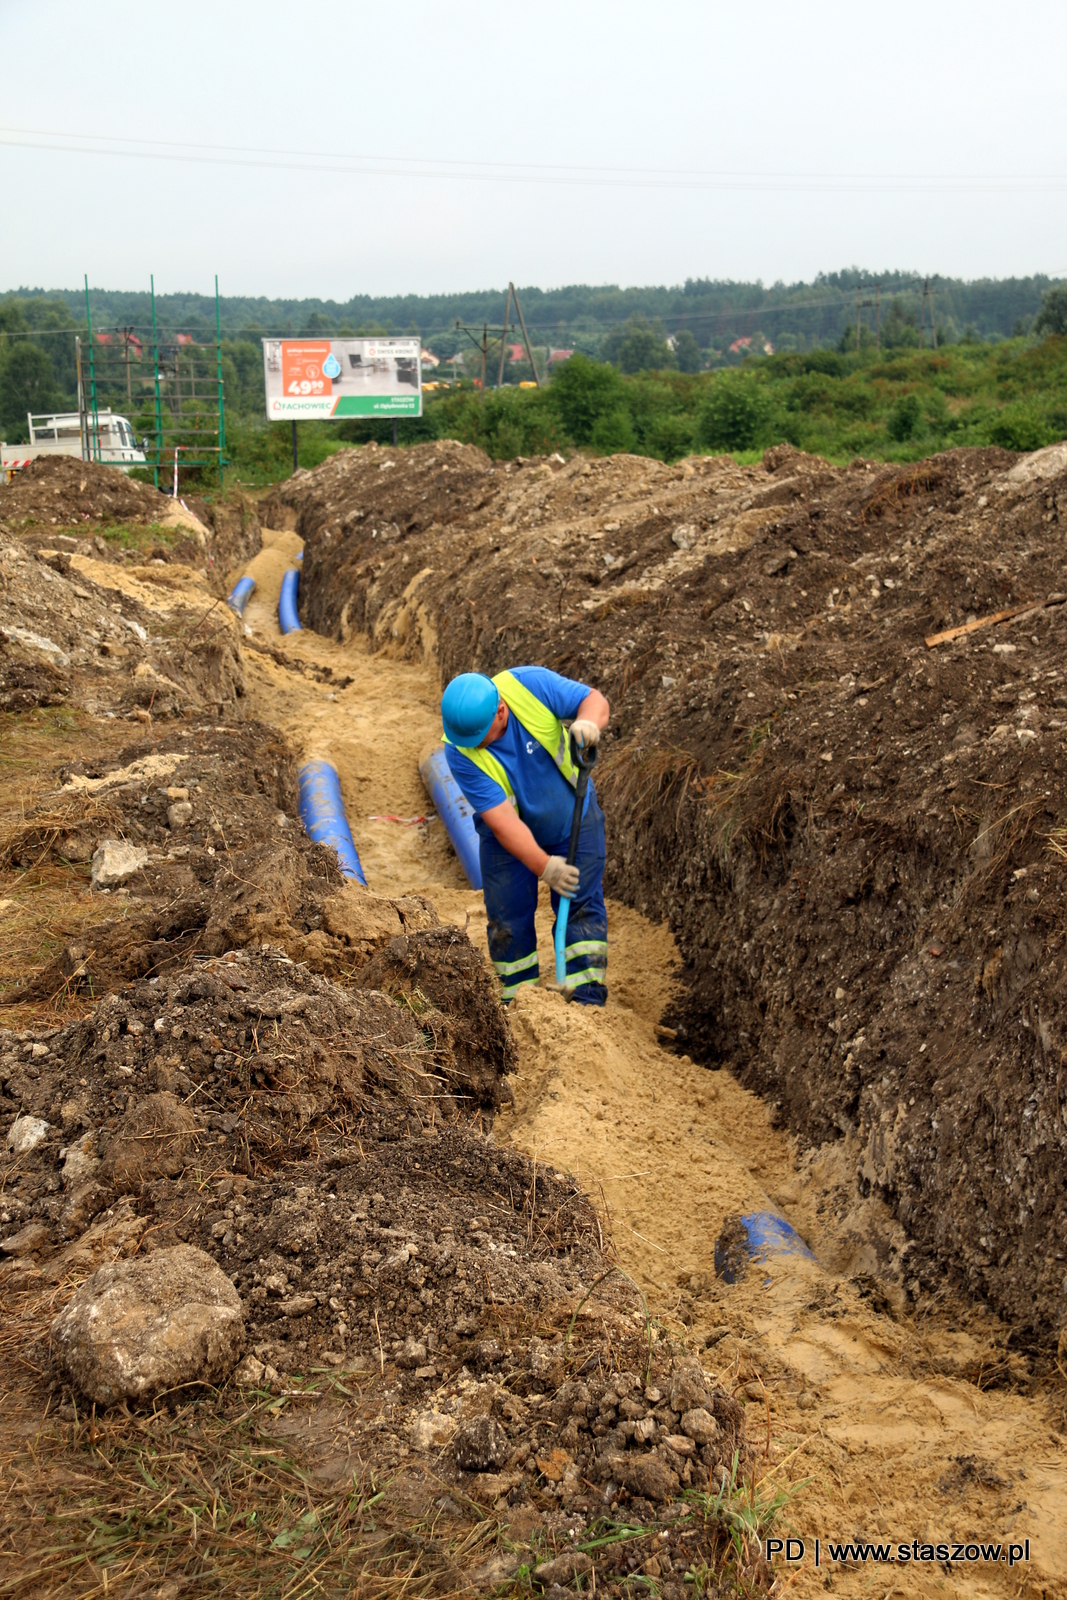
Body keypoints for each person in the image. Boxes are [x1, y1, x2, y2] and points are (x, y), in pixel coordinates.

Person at [440, 665, 610, 1006]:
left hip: (571, 816)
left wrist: (588, 721)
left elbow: (594, 699)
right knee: (508, 917)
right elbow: (504, 823)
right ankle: (520, 1003)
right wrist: (545, 866)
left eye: (480, 737)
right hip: (509, 841)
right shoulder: (458, 750)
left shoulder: (528, 685)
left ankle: (587, 999)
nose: (474, 747)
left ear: (500, 710)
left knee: (582, 905)